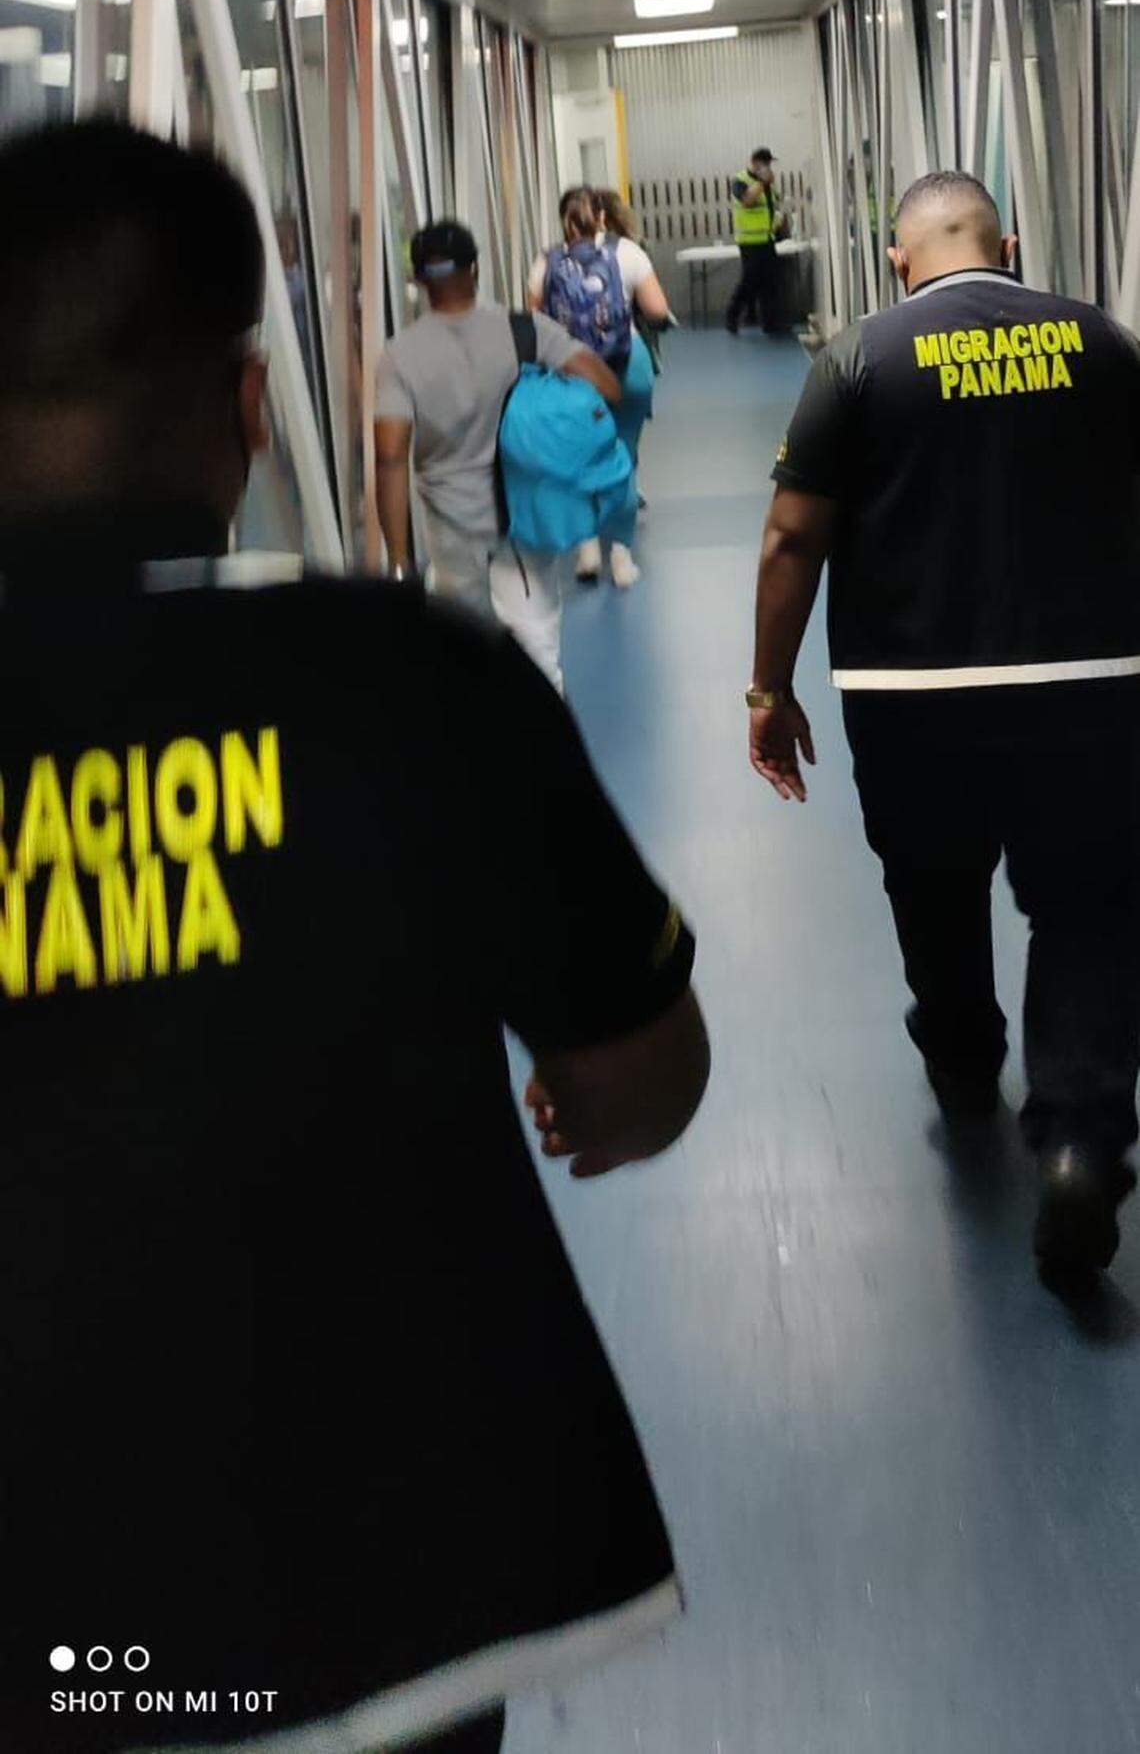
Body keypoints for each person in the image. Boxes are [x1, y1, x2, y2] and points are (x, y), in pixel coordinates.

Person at [0, 117, 710, 1754]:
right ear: (250, 407)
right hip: (370, 1598)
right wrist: (586, 1108)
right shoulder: (410, 680)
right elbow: (640, 1071)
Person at [747, 168, 1140, 1286]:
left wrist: (769, 694)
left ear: (897, 258)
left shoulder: (860, 360)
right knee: (1089, 909)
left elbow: (790, 540)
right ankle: (1077, 1140)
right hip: (1092, 687)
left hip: (914, 703)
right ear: (1008, 244)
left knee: (933, 885)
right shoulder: (1103, 343)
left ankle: (967, 1065)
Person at [375, 218, 618, 690]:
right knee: (537, 655)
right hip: (525, 521)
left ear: (419, 280)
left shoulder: (399, 356)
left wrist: (400, 562)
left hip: (451, 535)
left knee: (460, 662)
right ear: (476, 269)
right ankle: (540, 753)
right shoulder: (523, 331)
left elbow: (389, 456)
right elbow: (604, 386)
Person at [529, 189, 671, 589]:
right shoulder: (626, 252)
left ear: (563, 221)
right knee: (623, 454)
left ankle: (587, 549)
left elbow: (533, 319)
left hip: (572, 368)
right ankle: (621, 557)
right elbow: (658, 310)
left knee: (578, 455)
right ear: (603, 218)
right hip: (627, 365)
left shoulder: (547, 260)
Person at [726, 146, 787, 336]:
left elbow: (773, 206)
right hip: (749, 241)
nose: (768, 167)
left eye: (769, 164)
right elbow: (747, 200)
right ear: (754, 163)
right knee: (749, 282)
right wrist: (762, 182)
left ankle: (771, 324)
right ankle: (732, 316)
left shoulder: (769, 184)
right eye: (764, 163)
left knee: (771, 283)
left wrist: (779, 224)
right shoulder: (740, 181)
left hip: (767, 240)